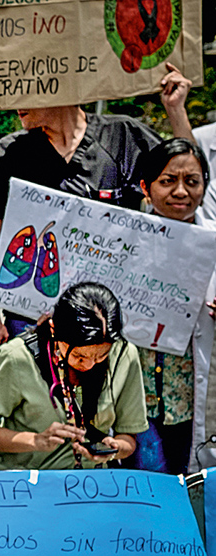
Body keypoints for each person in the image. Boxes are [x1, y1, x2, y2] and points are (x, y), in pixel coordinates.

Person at [0, 63, 196, 360]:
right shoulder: (10, 152)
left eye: (22, 87)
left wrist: (176, 111)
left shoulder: (123, 137)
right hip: (30, 319)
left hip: (108, 322)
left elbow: (189, 188)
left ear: (60, 87)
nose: (10, 100)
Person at [0, 282, 148, 470]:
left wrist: (113, 449)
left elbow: (128, 438)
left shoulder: (124, 355)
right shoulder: (18, 357)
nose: (88, 365)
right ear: (54, 330)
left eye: (101, 356)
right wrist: (36, 441)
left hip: (89, 486)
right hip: (25, 483)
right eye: (79, 356)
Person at [124, 138, 214, 474]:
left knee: (189, 489)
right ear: (146, 188)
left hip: (190, 402)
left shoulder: (212, 247)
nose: (181, 191)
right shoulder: (118, 240)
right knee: (141, 496)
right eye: (167, 181)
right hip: (135, 399)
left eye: (192, 181)